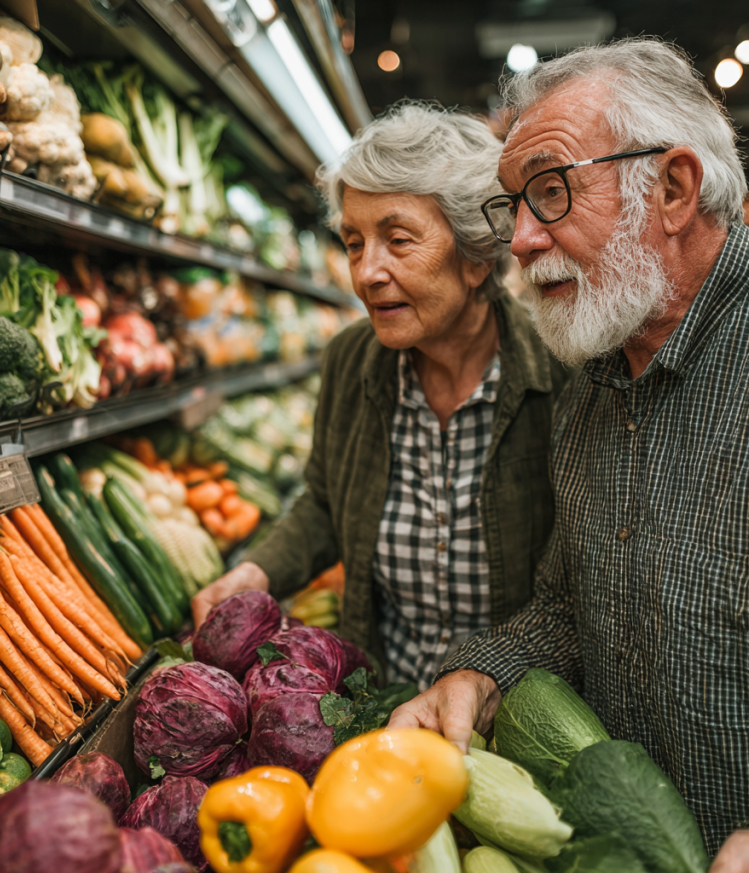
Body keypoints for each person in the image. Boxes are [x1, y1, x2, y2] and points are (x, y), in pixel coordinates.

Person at [388, 40, 749, 872]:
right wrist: (481, 671)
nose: (517, 240)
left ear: (671, 188)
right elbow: (566, 602)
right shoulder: (590, 375)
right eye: (510, 205)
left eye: (549, 192)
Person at [192, 102, 566, 690]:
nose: (366, 273)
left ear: (476, 255)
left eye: (397, 239)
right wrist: (258, 571)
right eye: (353, 242)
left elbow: (573, 590)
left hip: (514, 714)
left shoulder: (560, 374)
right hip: (377, 700)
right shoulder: (351, 361)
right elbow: (324, 501)